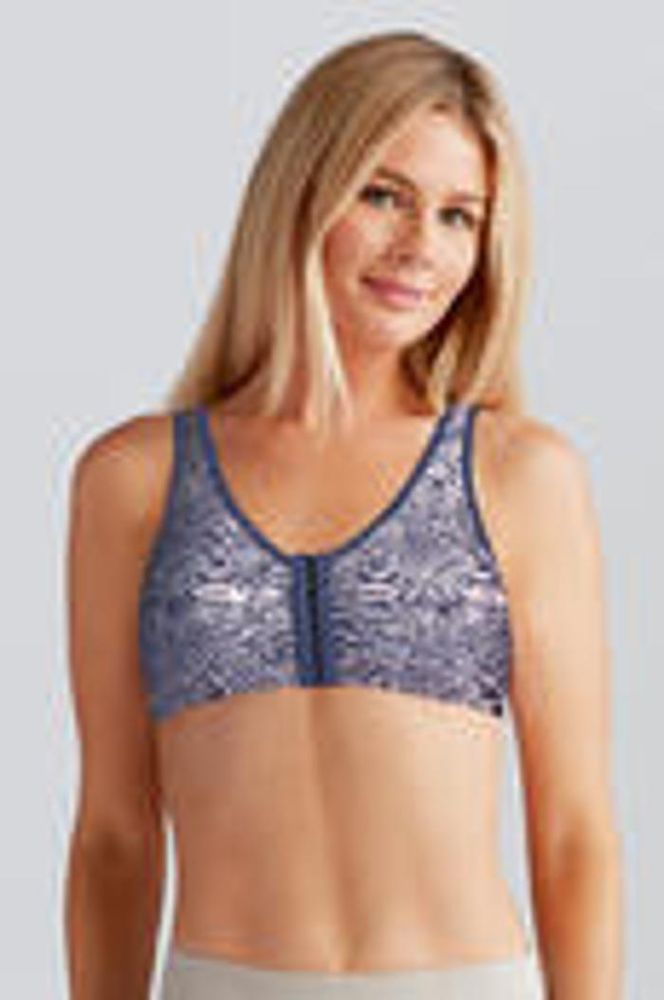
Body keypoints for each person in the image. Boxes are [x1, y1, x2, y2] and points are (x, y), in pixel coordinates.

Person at [63, 29, 624, 1000]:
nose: (420, 247)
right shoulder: (134, 479)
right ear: (302, 188)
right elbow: (114, 835)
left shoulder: (519, 475)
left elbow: (575, 833)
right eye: (383, 195)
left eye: (458, 216)